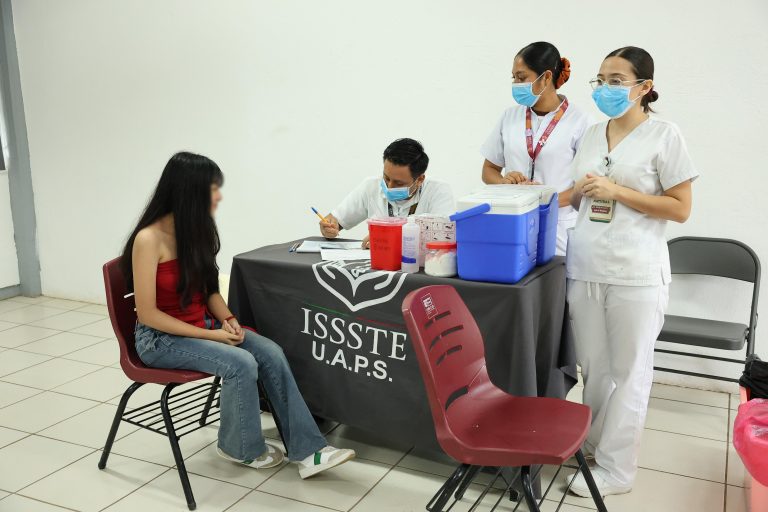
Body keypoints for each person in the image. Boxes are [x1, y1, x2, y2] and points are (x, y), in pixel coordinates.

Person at [121, 152, 355, 479]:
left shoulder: (197, 230)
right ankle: (237, 447)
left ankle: (310, 452)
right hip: (160, 339)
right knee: (240, 362)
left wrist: (227, 319)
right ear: (188, 192)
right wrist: (214, 335)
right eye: (212, 188)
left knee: (270, 352)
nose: (218, 195)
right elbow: (147, 314)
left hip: (200, 326)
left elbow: (208, 291)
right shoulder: (149, 239)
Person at [565, 47, 698, 496]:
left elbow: (680, 209)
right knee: (595, 367)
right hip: (585, 266)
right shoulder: (590, 133)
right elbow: (577, 194)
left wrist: (617, 191)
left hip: (635, 272)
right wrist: (560, 194)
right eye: (600, 79)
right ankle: (595, 446)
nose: (605, 88)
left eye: (617, 80)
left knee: (629, 371)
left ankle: (618, 471)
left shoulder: (665, 135)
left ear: (644, 87)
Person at [480, 41, 592, 255]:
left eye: (521, 78)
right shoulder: (510, 116)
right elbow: (488, 171)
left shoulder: (581, 121)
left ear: (547, 77)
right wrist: (504, 183)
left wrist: (546, 200)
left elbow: (586, 186)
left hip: (559, 229)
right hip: (514, 223)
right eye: (513, 77)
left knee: (556, 285)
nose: (515, 83)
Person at [319, 138, 455, 247]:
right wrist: (328, 228)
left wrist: (386, 240)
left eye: (399, 183)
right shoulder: (371, 186)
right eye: (386, 178)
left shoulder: (438, 191)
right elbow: (335, 220)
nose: (389, 186)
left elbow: (443, 240)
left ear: (420, 179)